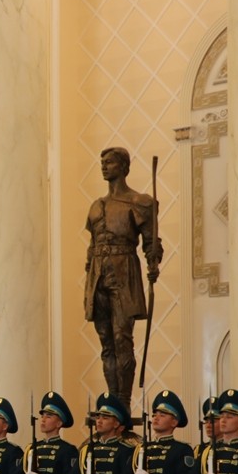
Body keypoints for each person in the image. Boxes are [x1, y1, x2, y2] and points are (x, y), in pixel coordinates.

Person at [84, 146, 162, 412]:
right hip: (97, 276)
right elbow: (92, 245)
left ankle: (123, 404)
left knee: (121, 338)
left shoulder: (139, 202)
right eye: (102, 162)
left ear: (123, 167)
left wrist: (153, 260)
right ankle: (112, 401)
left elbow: (152, 243)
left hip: (123, 271)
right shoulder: (96, 206)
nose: (104, 166)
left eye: (110, 162)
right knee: (106, 341)